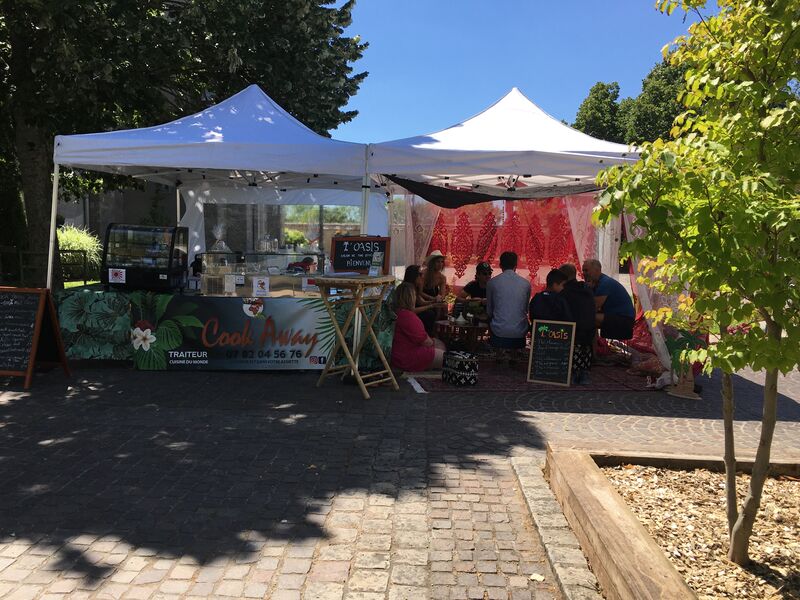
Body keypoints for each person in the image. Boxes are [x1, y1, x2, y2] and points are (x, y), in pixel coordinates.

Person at [486, 251, 531, 363]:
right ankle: (514, 354)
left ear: (500, 265)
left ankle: (499, 353)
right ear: (516, 265)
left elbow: (489, 310)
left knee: (490, 317)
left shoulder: (492, 283)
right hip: (520, 331)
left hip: (498, 331)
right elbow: (526, 309)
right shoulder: (526, 284)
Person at [391, 282, 446, 372]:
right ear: (411, 298)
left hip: (397, 354)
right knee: (446, 357)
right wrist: (433, 345)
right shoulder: (407, 316)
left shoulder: (397, 312)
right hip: (406, 357)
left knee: (438, 344)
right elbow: (425, 342)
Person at [559, 263, 596, 385]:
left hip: (573, 333)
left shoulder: (565, 293)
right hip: (589, 332)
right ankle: (584, 372)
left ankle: (573, 372)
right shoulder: (587, 290)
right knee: (584, 345)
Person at [582, 258, 635, 340]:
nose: (584, 273)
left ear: (597, 270)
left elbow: (592, 307)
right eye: (583, 271)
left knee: (587, 318)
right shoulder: (591, 283)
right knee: (586, 318)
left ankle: (593, 348)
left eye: (586, 270)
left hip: (624, 320)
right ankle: (594, 349)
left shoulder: (605, 283)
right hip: (612, 315)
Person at [400, 264, 445, 335]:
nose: (422, 277)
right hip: (404, 318)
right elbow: (412, 310)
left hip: (408, 315)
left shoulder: (413, 287)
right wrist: (431, 305)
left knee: (434, 311)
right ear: (413, 276)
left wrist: (434, 302)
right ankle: (426, 335)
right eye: (420, 274)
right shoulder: (407, 288)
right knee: (429, 314)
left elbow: (421, 302)